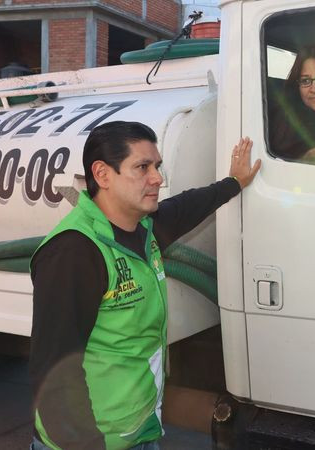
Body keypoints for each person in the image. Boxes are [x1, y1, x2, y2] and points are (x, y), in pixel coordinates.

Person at [28, 121, 260, 450]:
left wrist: (234, 182)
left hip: (139, 430)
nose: (157, 178)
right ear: (103, 174)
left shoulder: (144, 229)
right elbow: (54, 371)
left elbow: (188, 205)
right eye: (142, 167)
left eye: (157, 166)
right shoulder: (75, 252)